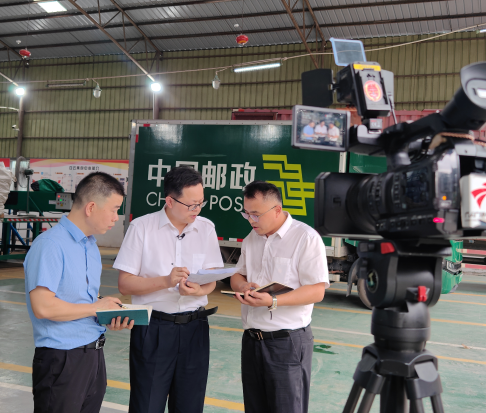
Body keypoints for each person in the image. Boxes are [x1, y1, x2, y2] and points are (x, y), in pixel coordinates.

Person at [114, 166, 224, 413]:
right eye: (191, 205)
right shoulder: (141, 228)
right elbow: (125, 283)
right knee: (147, 404)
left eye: (201, 203)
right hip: (154, 328)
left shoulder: (206, 228)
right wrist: (166, 281)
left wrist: (196, 291)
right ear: (170, 201)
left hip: (195, 329)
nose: (197, 210)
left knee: (189, 405)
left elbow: (211, 281)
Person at [24, 172, 133, 413]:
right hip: (62, 361)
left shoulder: (90, 245)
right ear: (91, 207)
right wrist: (95, 307)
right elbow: (43, 307)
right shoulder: (50, 245)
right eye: (114, 209)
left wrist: (105, 309)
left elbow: (79, 299)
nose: (116, 218)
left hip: (93, 356)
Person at [229, 181, 329, 413]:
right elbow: (237, 274)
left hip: (287, 343)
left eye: (256, 214)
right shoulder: (252, 238)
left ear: (277, 210)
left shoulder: (305, 238)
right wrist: (243, 285)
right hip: (252, 341)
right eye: (247, 214)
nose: (251, 220)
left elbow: (317, 290)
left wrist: (273, 301)